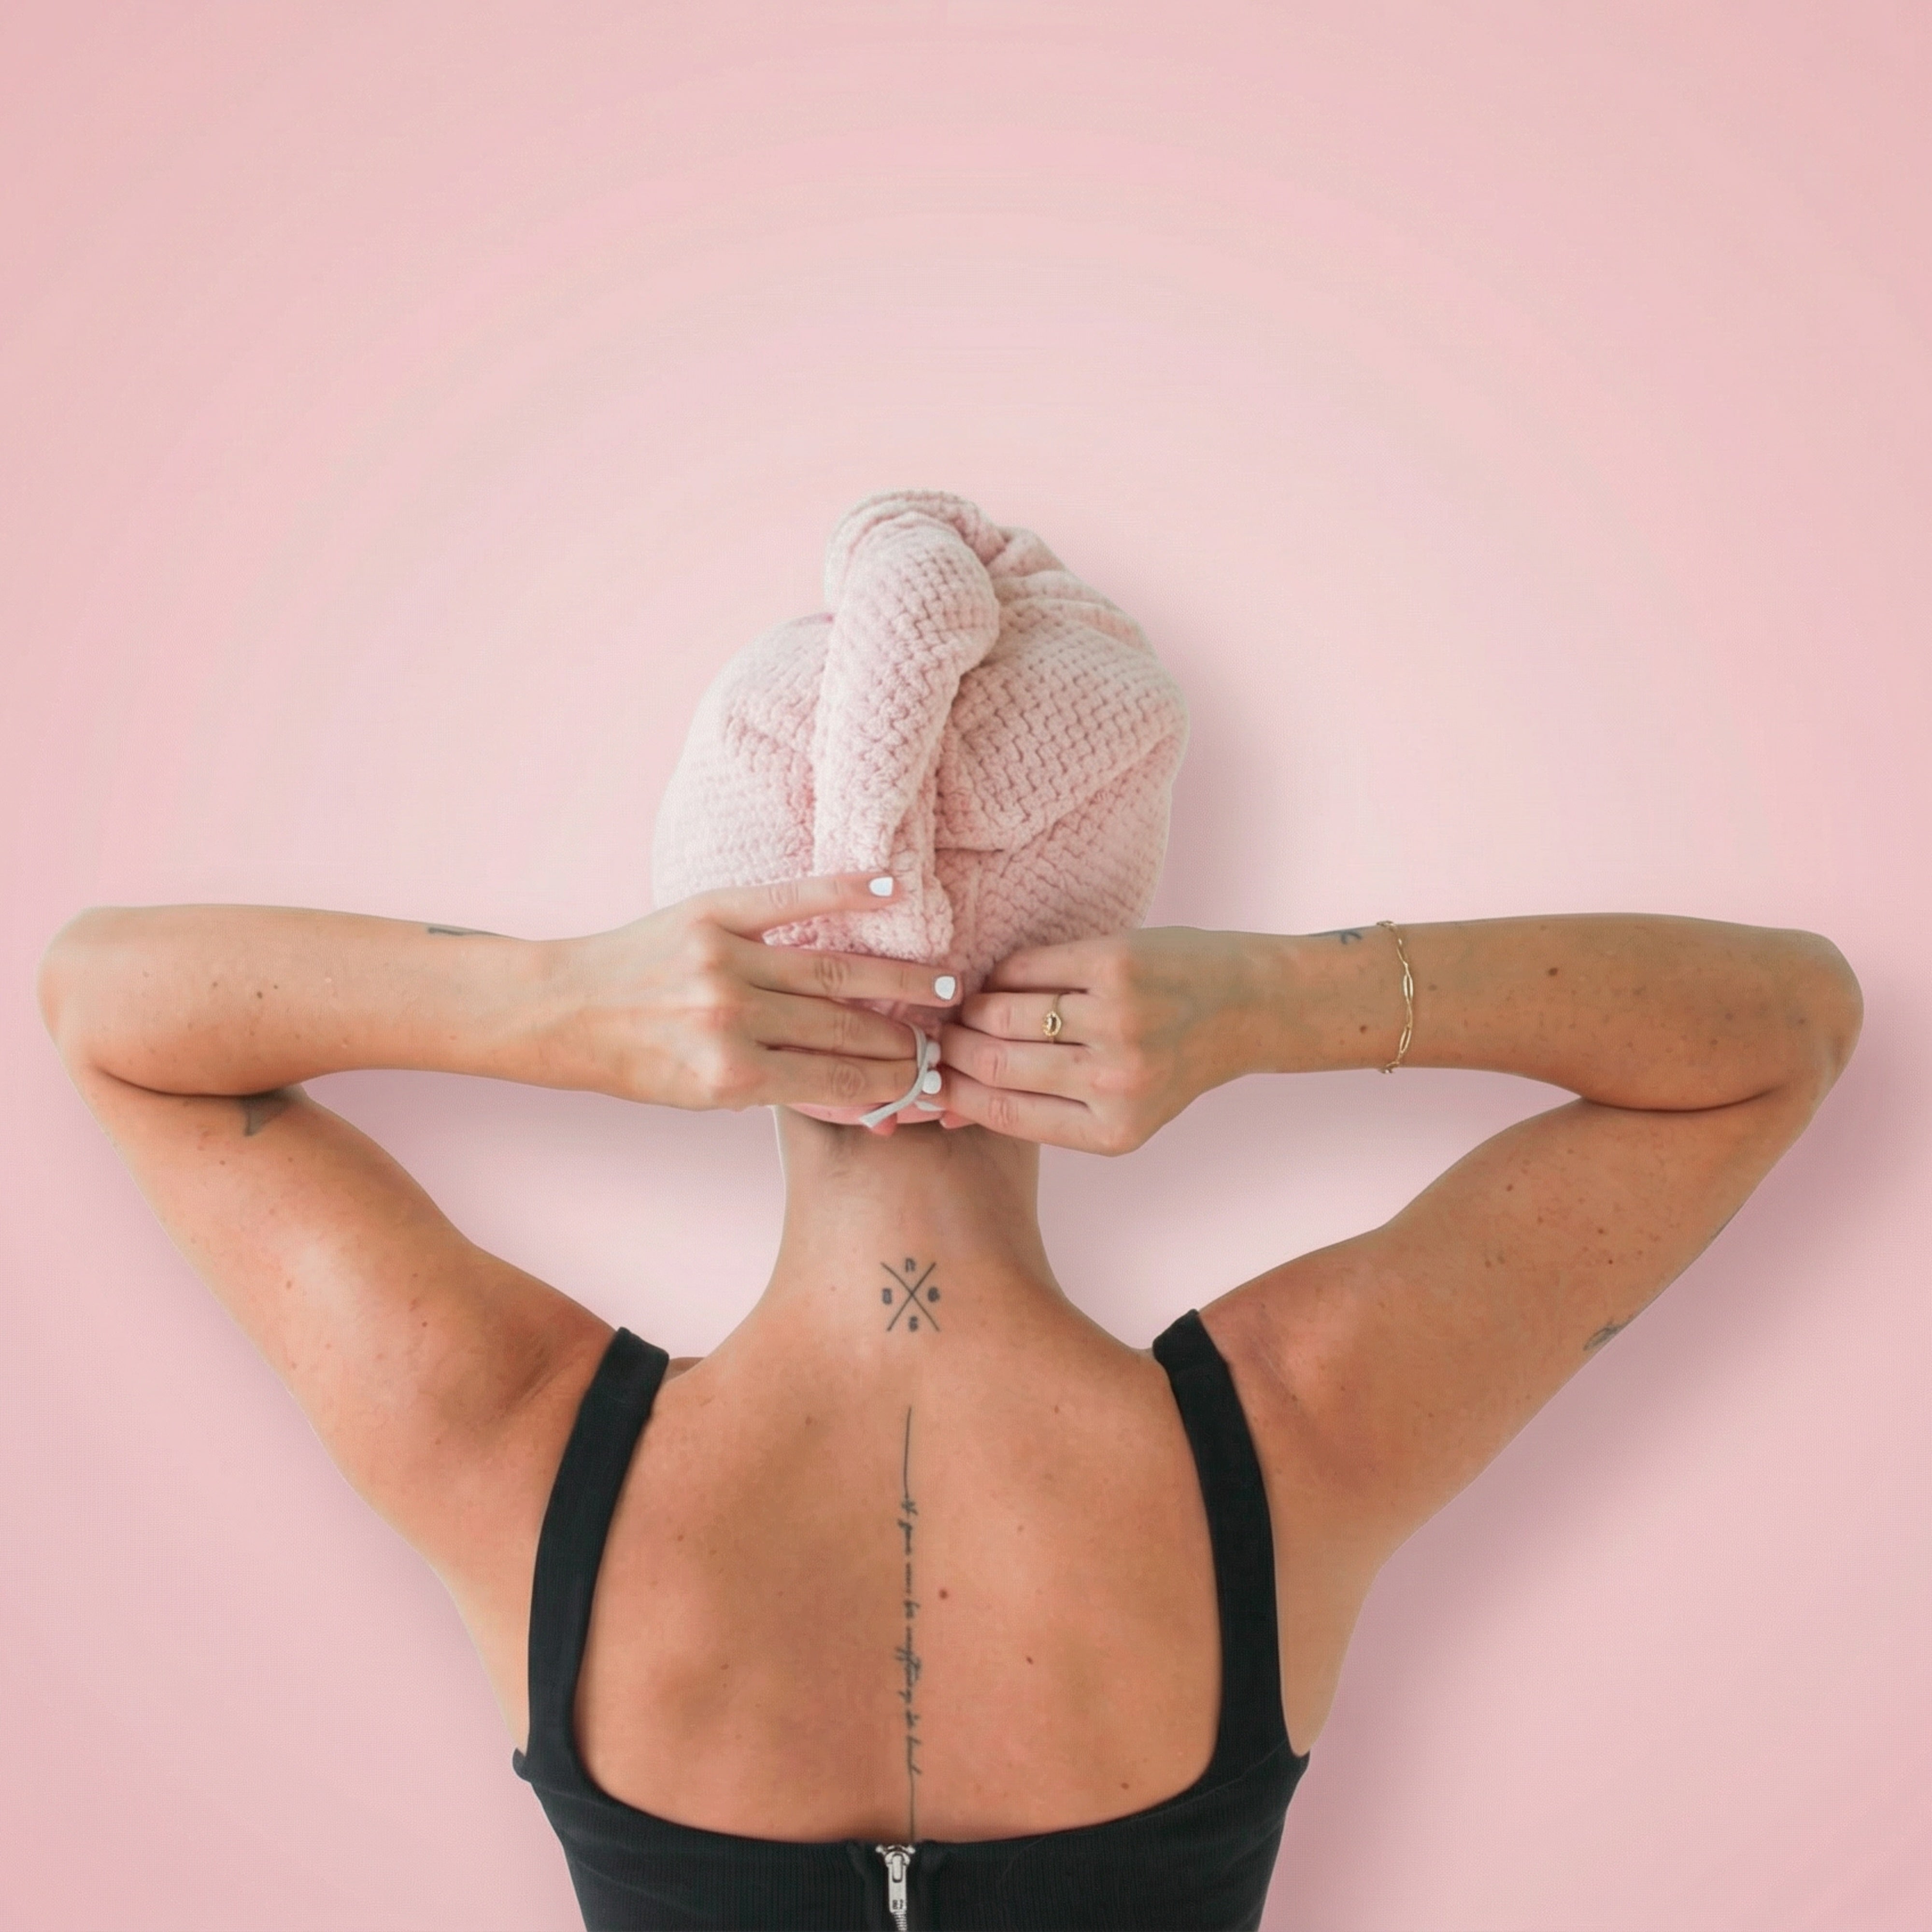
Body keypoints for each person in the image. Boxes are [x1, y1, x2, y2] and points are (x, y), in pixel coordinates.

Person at [37, 494, 1862, 1932]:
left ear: (711, 947)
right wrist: (1286, 1003)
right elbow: (1784, 1029)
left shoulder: (506, 1444)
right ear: (1109, 940)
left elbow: (102, 1004)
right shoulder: (1301, 1436)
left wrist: (546, 1004)